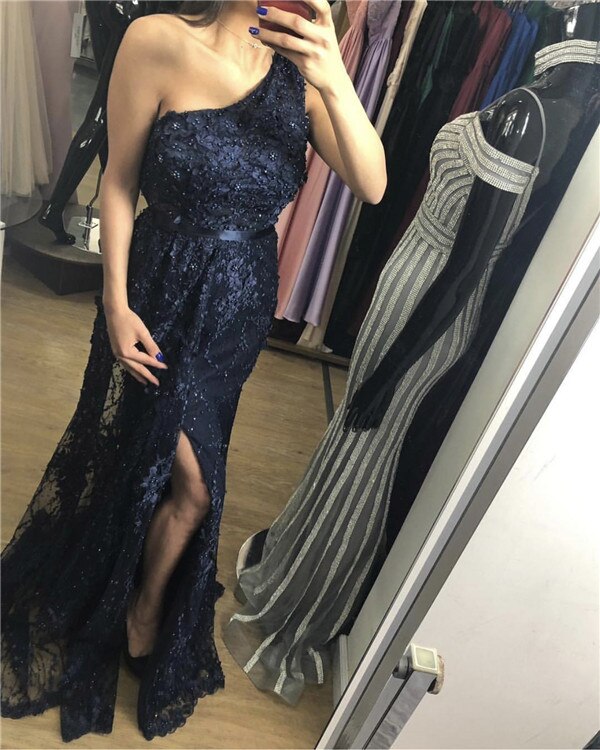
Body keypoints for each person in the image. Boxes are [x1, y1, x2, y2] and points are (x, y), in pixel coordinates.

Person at [0, 0, 386, 741]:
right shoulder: (156, 41)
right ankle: (131, 601)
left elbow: (372, 184)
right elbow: (118, 183)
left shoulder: (306, 79)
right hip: (159, 287)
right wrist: (114, 302)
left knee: (188, 475)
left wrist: (335, 74)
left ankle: (144, 602)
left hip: (238, 306)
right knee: (187, 478)